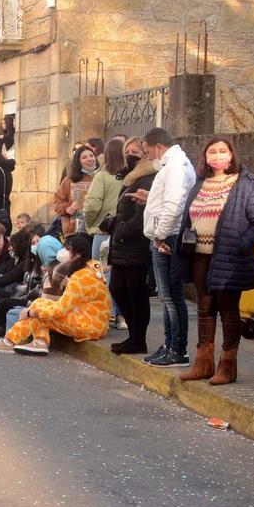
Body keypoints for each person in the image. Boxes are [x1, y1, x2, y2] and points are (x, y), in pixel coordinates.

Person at [174, 136, 254, 384]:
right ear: (205, 157)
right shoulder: (200, 184)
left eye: (222, 151)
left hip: (229, 257)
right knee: (205, 309)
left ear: (231, 155)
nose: (216, 156)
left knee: (228, 310)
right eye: (211, 152)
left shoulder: (247, 184)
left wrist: (241, 243)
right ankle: (203, 363)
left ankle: (227, 367)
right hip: (199, 256)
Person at [0, 234, 111, 356]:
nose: (63, 252)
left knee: (39, 310)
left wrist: (29, 313)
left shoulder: (79, 277)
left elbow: (60, 310)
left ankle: (10, 341)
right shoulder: (90, 267)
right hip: (93, 320)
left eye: (67, 249)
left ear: (76, 255)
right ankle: (39, 342)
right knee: (40, 305)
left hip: (89, 325)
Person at [141, 127, 196, 367]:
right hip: (165, 236)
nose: (148, 157)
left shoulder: (175, 166)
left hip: (167, 238)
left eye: (148, 152)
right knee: (167, 297)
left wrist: (160, 235)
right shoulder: (172, 165)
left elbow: (174, 205)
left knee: (171, 297)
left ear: (158, 147)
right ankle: (169, 344)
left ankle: (177, 349)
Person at [107, 141, 158, 355]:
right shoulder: (130, 179)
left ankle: (138, 339)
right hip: (121, 246)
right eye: (126, 152)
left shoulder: (146, 179)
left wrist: (119, 231)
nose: (129, 155)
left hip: (136, 246)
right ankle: (134, 337)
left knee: (136, 294)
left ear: (145, 155)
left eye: (135, 152)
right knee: (118, 289)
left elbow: (140, 218)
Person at [83, 137, 132, 327]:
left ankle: (108, 313)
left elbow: (92, 204)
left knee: (102, 274)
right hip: (124, 231)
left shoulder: (102, 176)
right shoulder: (130, 177)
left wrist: (91, 224)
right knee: (121, 275)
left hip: (103, 231)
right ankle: (122, 315)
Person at [53, 145, 99, 237]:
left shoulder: (101, 177)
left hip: (96, 229)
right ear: (78, 162)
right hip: (74, 230)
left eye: (91, 155)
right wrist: (68, 208)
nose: (89, 159)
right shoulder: (70, 179)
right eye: (84, 157)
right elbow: (57, 202)